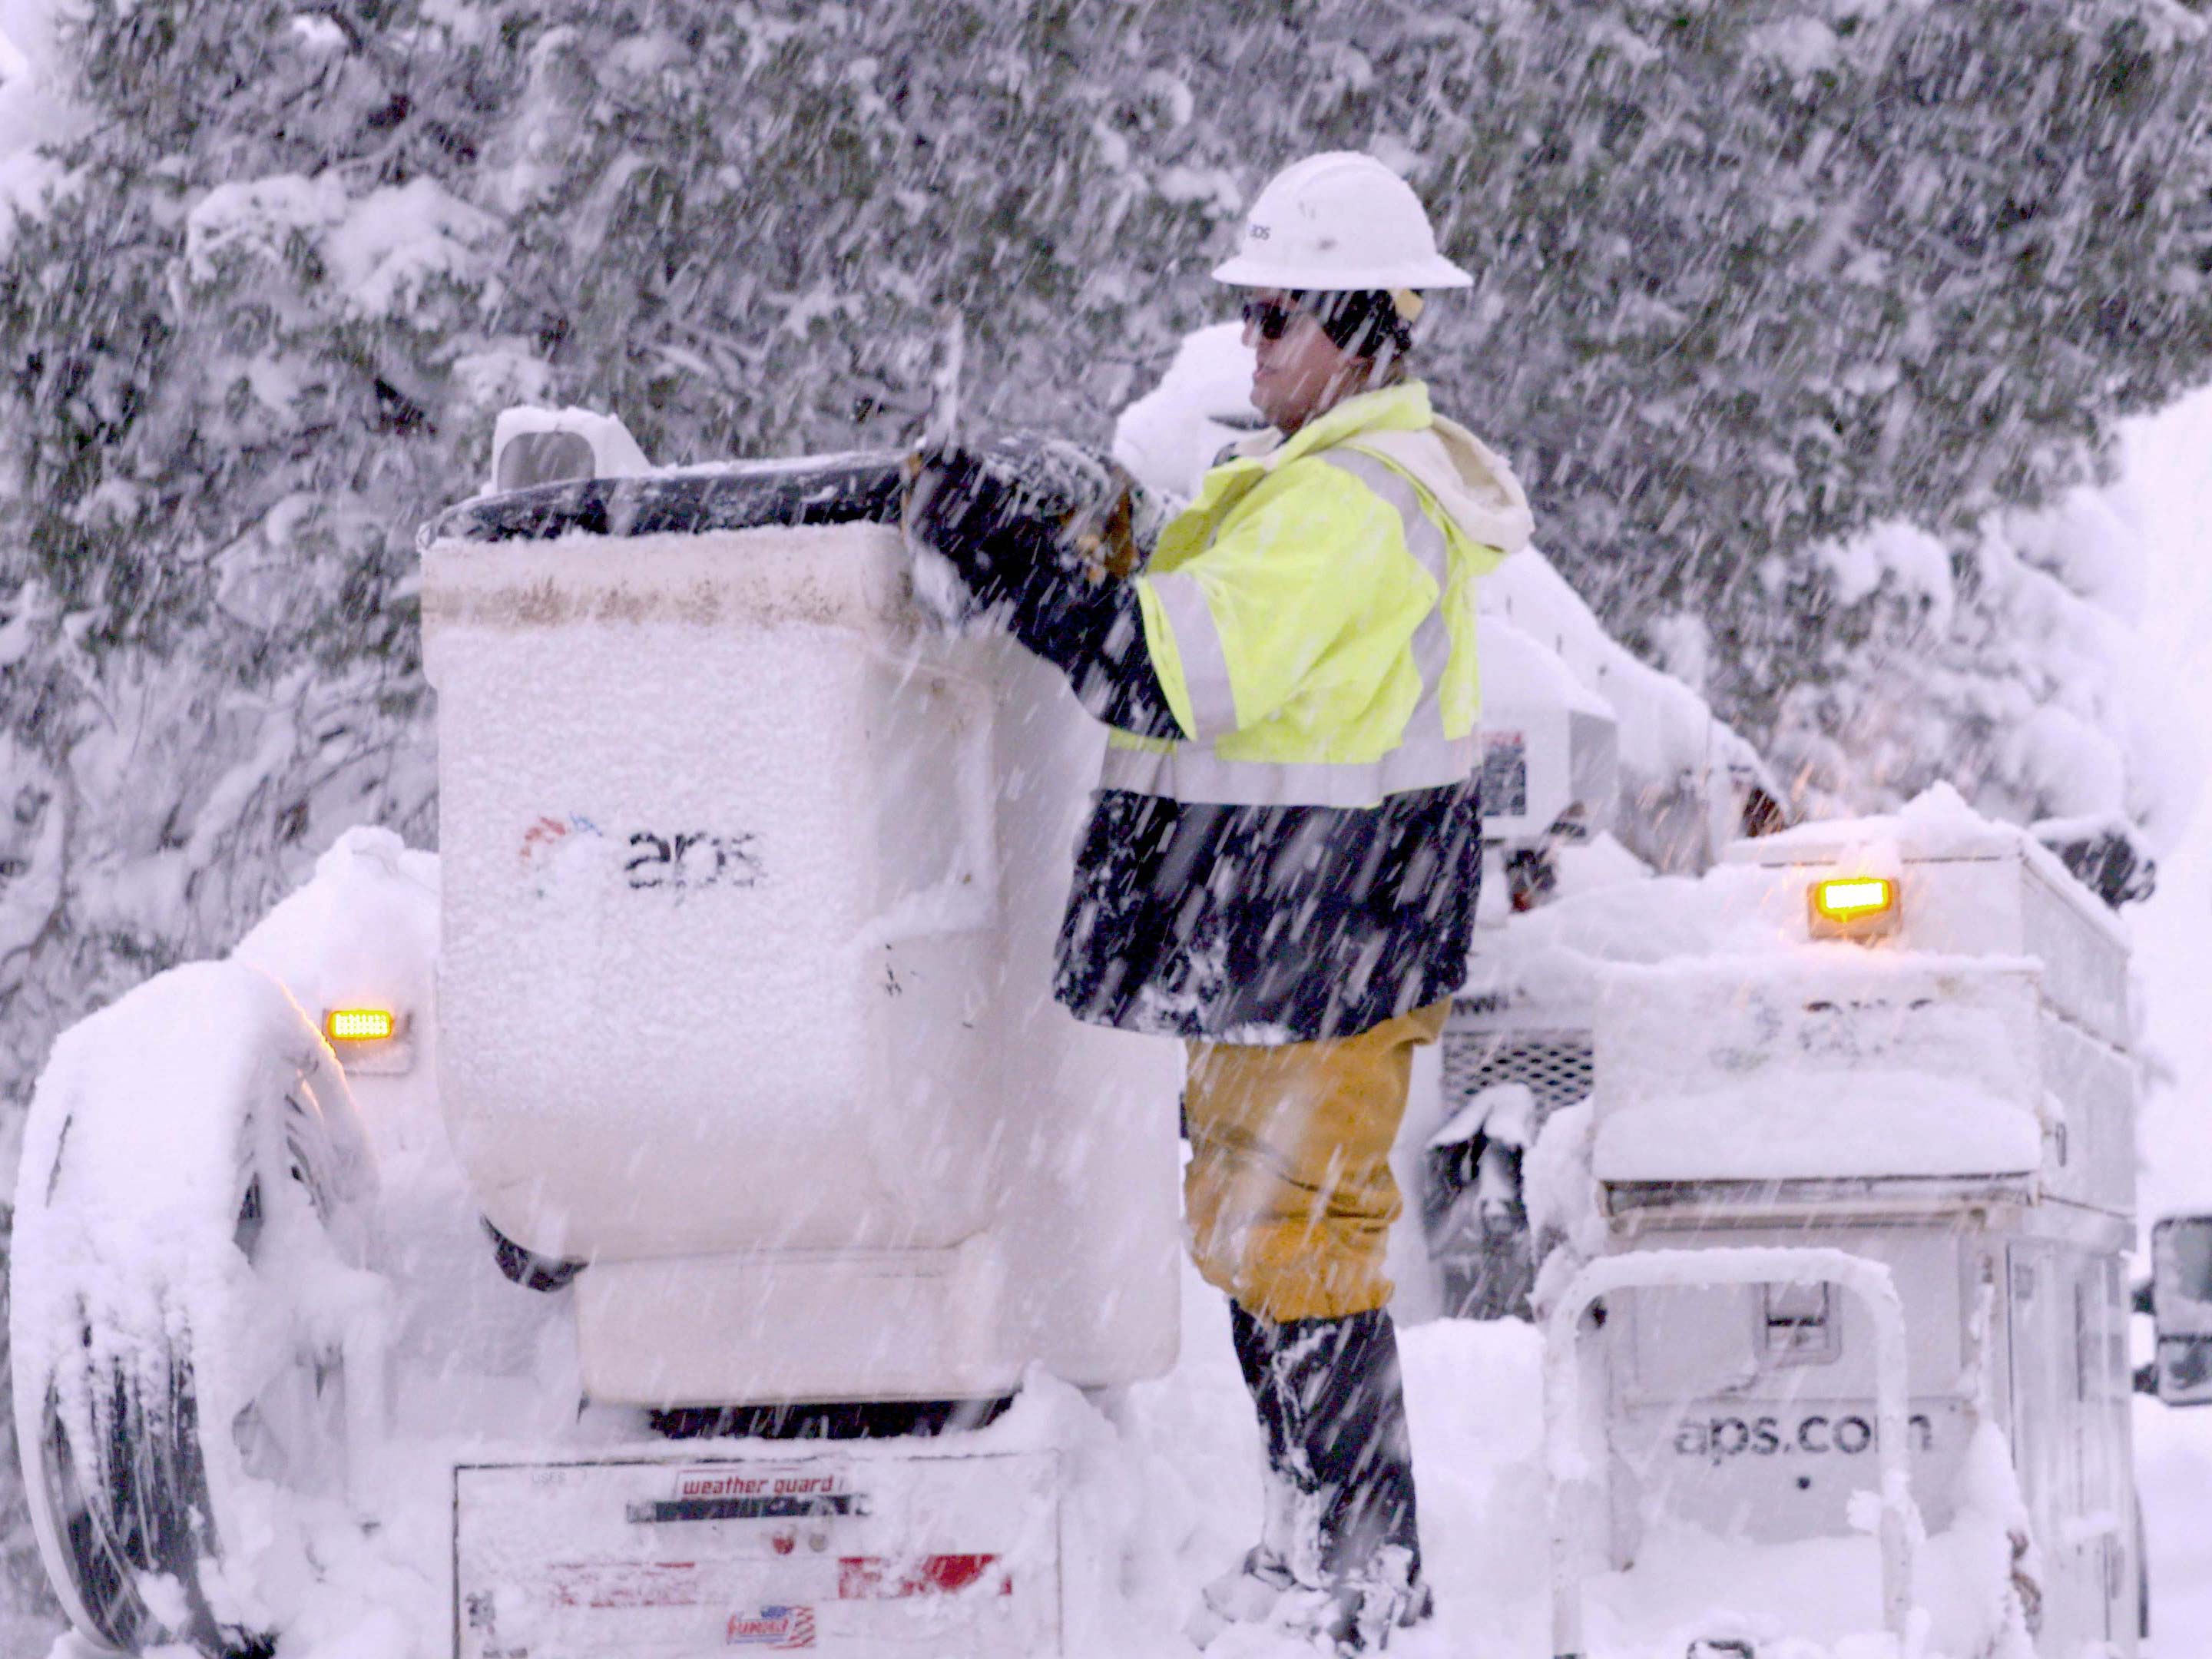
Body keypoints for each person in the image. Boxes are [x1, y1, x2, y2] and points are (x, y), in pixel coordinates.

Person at [908, 150, 1531, 1654]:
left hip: (1324, 939)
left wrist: (1001, 560)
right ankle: (1314, 1550)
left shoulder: (1355, 504)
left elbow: (1166, 669)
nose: (1249, 349)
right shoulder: (1309, 488)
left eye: (1270, 319)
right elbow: (1181, 591)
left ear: (1361, 326)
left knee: (1300, 1248)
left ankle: (1362, 1582)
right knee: (1265, 1244)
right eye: (1247, 318)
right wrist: (1095, 528)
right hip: (1287, 938)